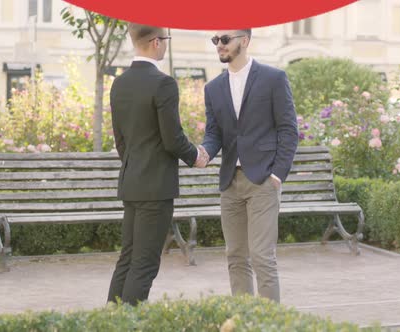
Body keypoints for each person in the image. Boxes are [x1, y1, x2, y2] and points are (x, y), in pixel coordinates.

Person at [107, 23, 208, 305]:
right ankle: (127, 323)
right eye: (166, 39)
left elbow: (121, 141)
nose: (166, 43)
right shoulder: (163, 83)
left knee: (127, 258)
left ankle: (110, 320)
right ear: (155, 42)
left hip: (132, 183)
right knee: (145, 263)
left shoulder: (119, 83)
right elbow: (172, 139)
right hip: (156, 187)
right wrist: (195, 156)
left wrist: (136, 165)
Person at [199, 29, 298, 303]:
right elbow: (214, 134)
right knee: (235, 255)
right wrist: (204, 153)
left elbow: (288, 129)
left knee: (262, 256)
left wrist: (277, 174)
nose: (219, 45)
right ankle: (245, 320)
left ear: (244, 40)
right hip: (230, 182)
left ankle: (268, 323)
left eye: (225, 39)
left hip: (263, 179)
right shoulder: (213, 88)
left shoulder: (273, 79)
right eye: (215, 40)